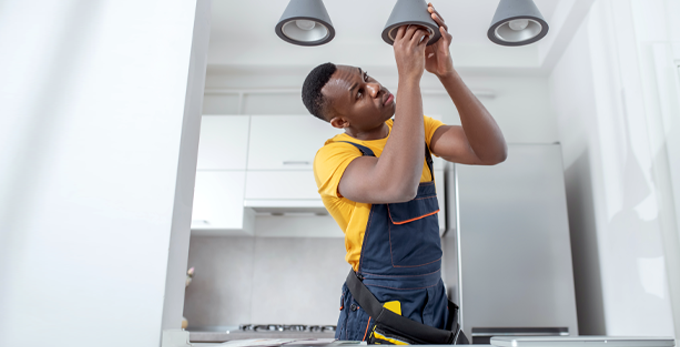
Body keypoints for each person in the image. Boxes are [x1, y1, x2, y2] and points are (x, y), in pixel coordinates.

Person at [302, 3, 507, 343]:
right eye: (359, 93)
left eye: (366, 77)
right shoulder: (334, 156)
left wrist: (446, 72)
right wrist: (409, 76)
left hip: (433, 300)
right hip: (381, 312)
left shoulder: (416, 130)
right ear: (341, 122)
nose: (374, 88)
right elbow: (397, 186)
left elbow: (492, 151)